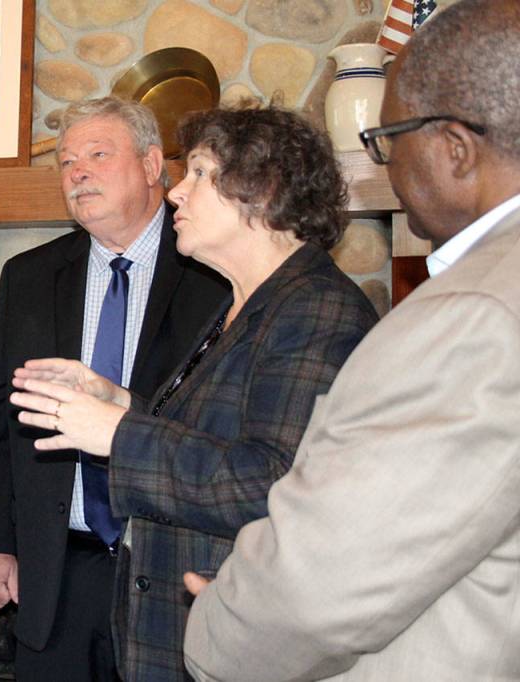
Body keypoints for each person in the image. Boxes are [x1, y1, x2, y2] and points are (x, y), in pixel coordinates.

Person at [179, 1, 520, 680]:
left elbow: (321, 583)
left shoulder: (474, 316)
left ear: (455, 148)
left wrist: (215, 633)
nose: (386, 165)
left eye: (388, 139)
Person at [10, 106, 378, 681]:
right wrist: (118, 401)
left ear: (263, 189)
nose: (177, 192)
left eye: (200, 173)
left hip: (241, 634)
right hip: (178, 630)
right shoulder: (243, 304)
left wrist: (117, 432)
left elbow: (275, 482)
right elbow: (208, 436)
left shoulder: (316, 310)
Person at [0, 96, 230, 681]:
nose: (78, 172)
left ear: (152, 164)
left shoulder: (214, 274)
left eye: (98, 155)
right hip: (57, 571)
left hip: (172, 567)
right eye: (66, 162)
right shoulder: (29, 277)